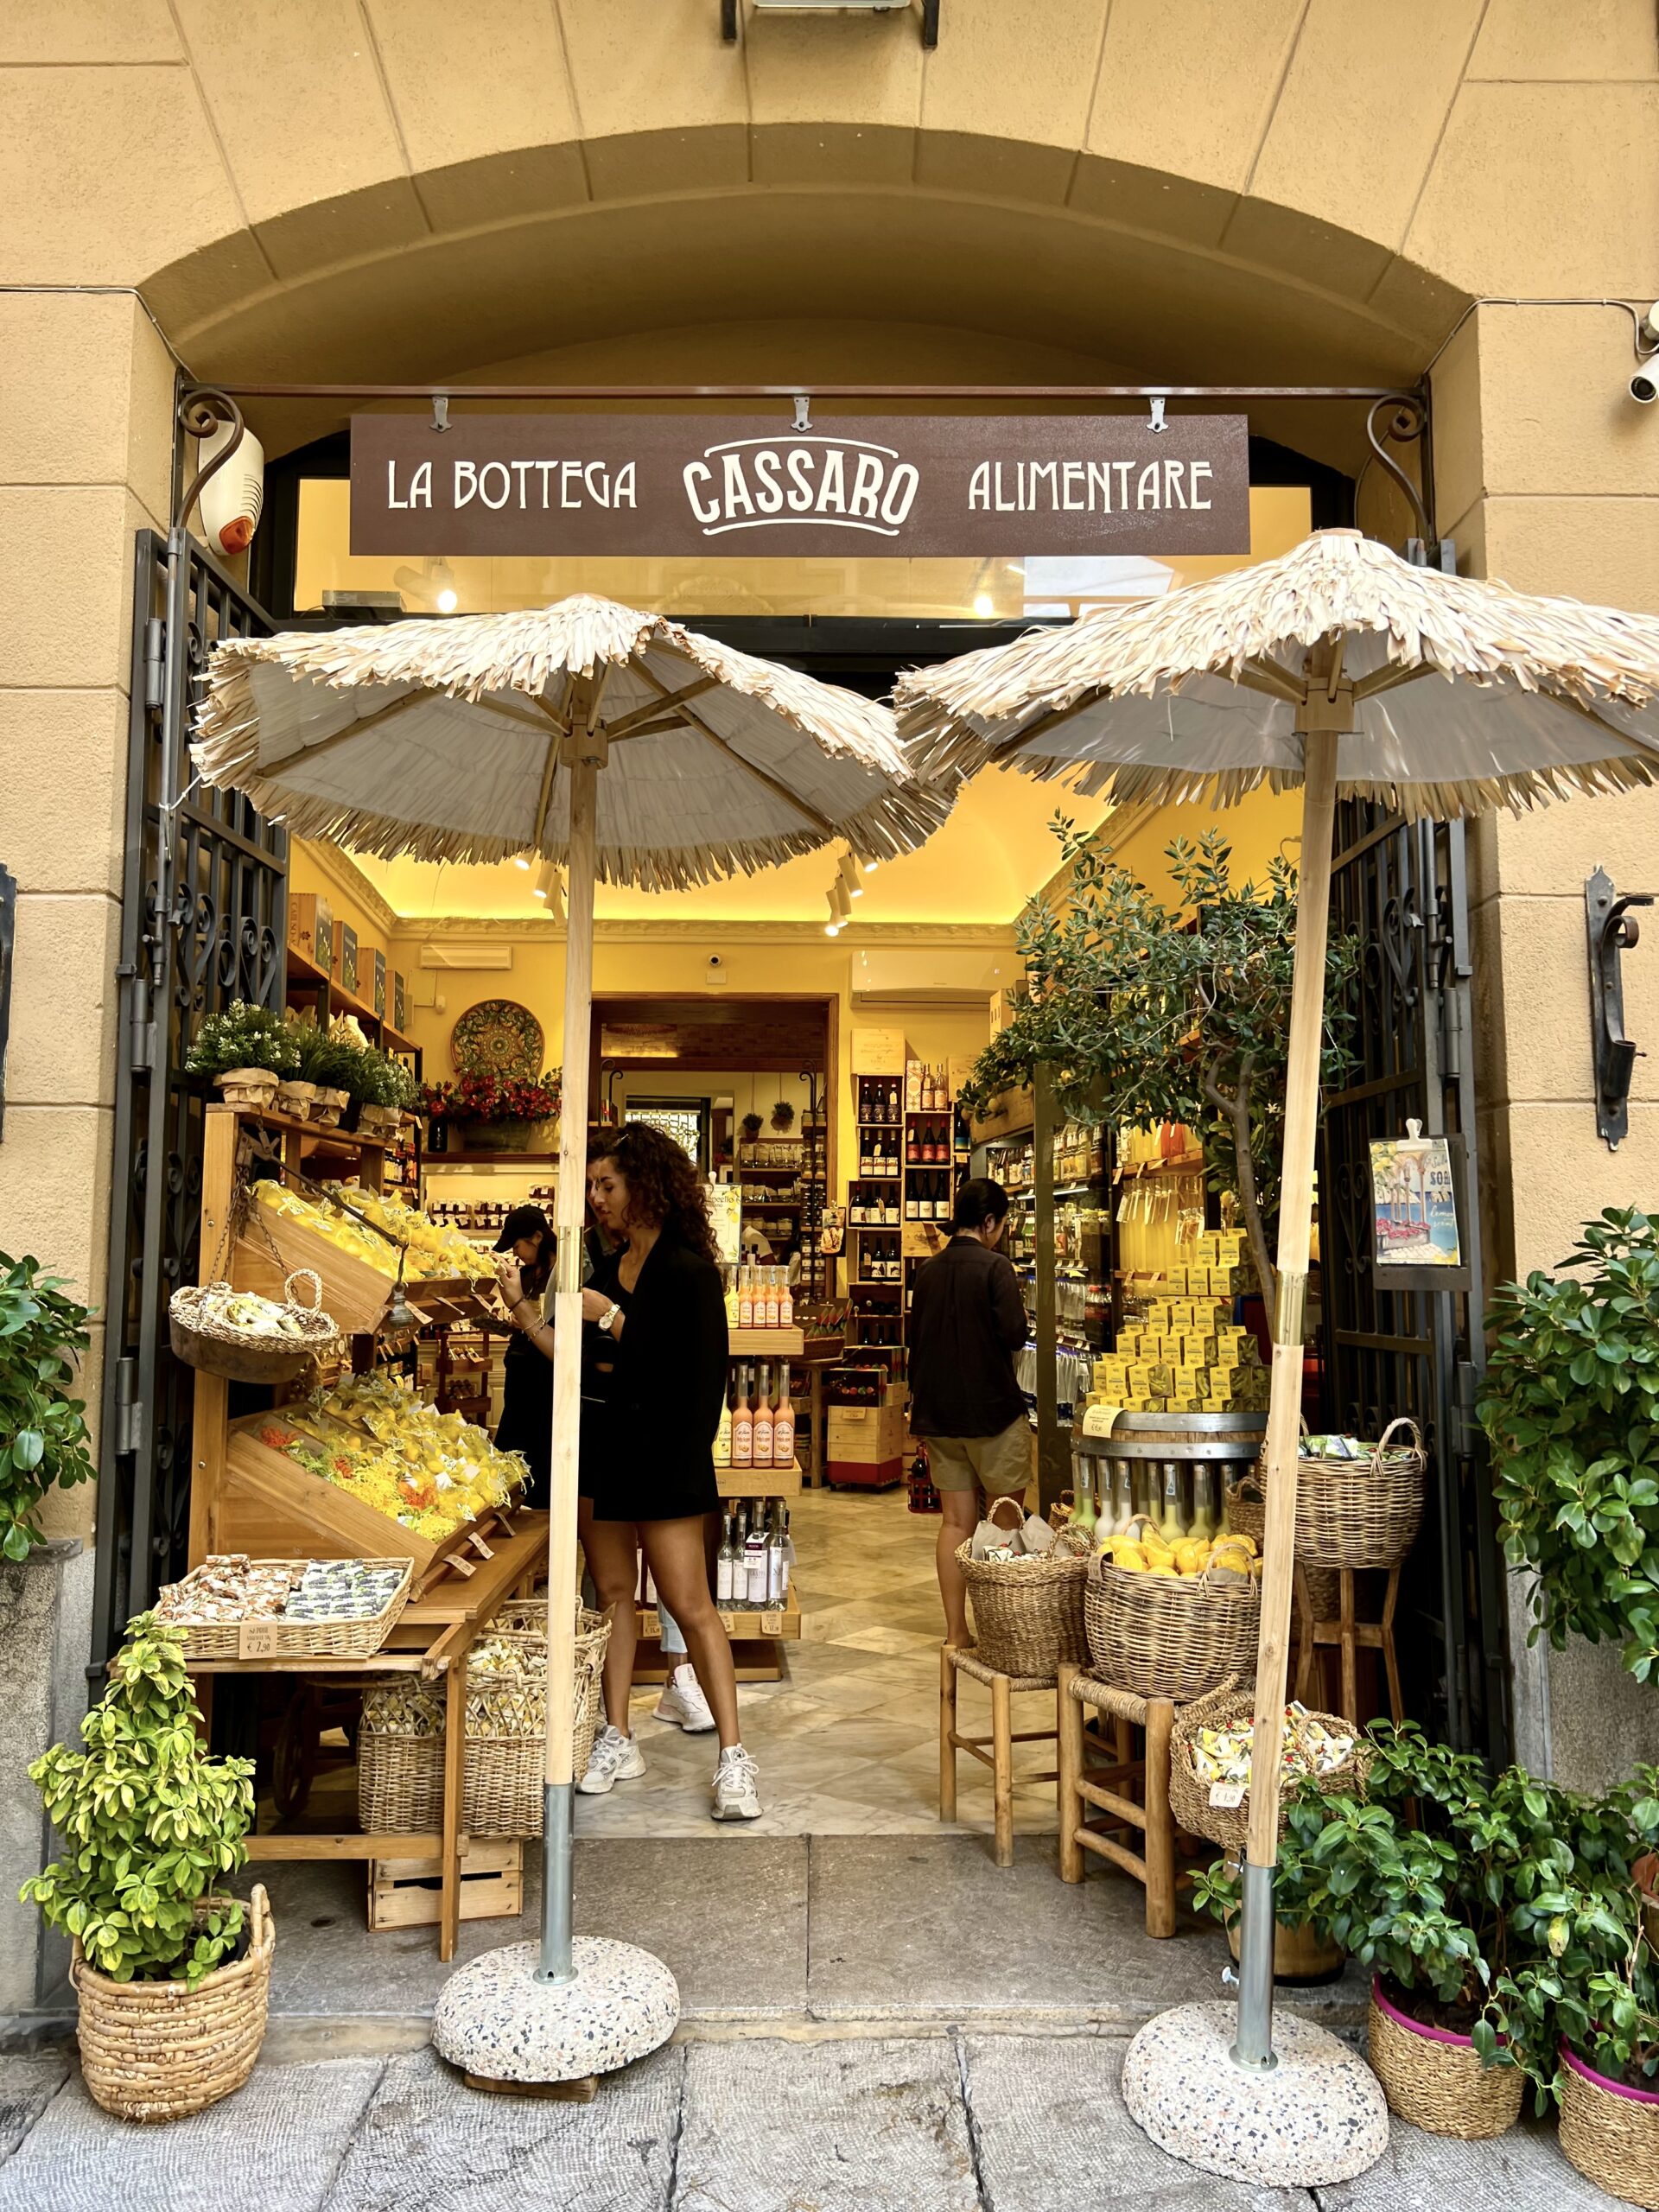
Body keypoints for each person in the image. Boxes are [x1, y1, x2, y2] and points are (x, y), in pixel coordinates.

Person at [496, 1121, 760, 1822]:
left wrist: (613, 1317)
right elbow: (577, 1360)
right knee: (612, 1596)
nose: (596, 1199)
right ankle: (617, 1734)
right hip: (607, 1456)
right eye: (591, 1186)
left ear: (645, 1186)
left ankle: (734, 1759)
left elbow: (696, 1378)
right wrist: (522, 1308)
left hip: (670, 1460)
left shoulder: (689, 1274)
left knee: (690, 1605)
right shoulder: (607, 1271)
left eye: (606, 1185)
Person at [907, 1176, 1032, 1651]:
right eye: (1001, 1224)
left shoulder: (928, 1272)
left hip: (939, 1414)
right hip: (993, 1414)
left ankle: (957, 1633)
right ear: (989, 1222)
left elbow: (917, 1342)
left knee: (954, 1524)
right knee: (1005, 1520)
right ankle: (1003, 1634)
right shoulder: (996, 1268)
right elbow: (1014, 1335)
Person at [491, 1205, 555, 1510]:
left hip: (544, 1385)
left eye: (518, 1245)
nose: (516, 1253)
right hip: (519, 1381)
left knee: (537, 1465)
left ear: (538, 1237)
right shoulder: (527, 1274)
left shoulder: (560, 1277)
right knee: (509, 1461)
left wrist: (520, 1306)